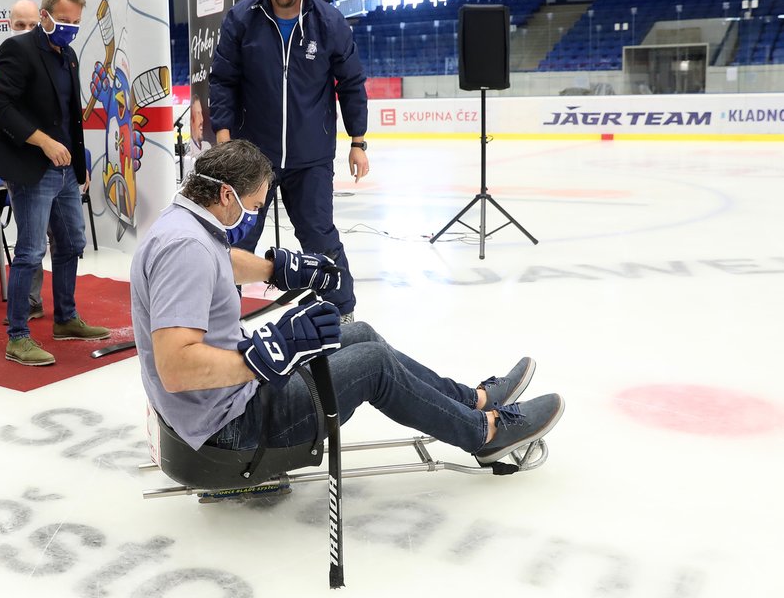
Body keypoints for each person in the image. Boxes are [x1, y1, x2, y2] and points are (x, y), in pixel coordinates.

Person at [130, 140, 564, 468]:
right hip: (230, 427)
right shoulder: (184, 249)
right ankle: (484, 434)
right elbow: (176, 367)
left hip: (231, 401)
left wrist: (278, 270)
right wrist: (265, 357)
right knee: (372, 363)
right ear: (227, 194)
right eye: (255, 205)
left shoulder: (186, 223)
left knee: (358, 333)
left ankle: (474, 400)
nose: (254, 214)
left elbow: (220, 262)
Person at [209, 0, 369, 322]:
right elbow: (223, 80)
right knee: (236, 237)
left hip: (310, 155)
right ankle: (219, 315)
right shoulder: (242, 20)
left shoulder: (329, 22)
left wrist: (358, 140)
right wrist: (224, 138)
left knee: (318, 237)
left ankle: (341, 310)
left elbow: (350, 83)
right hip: (251, 157)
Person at [0, 0, 111, 367]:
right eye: (64, 20)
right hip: (30, 167)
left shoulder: (69, 56)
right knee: (30, 251)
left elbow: (72, 114)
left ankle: (66, 318)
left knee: (72, 242)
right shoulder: (17, 50)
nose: (70, 28)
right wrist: (42, 142)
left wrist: (79, 163)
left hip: (64, 169)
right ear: (44, 16)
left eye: (76, 22)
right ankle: (18, 337)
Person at [0, 0, 51, 325]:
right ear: (10, 26)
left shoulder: (55, 58)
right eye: (19, 25)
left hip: (55, 162)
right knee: (31, 240)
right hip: (21, 161)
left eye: (32, 25)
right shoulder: (5, 60)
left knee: (61, 239)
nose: (25, 31)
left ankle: (60, 307)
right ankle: (29, 303)